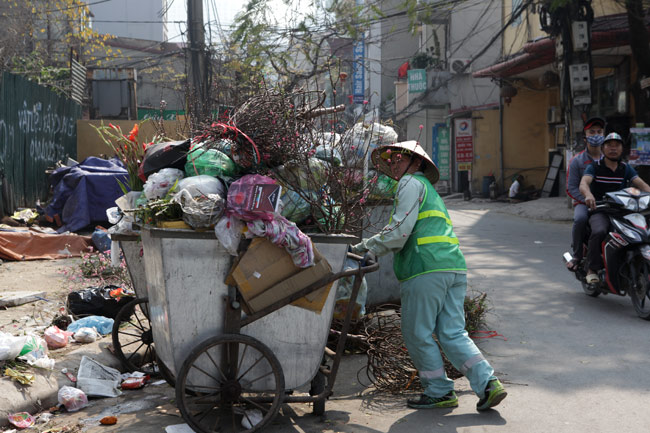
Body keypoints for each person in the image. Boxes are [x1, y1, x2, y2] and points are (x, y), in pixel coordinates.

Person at [351, 140, 506, 411]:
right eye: (392, 159)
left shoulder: (409, 184)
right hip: (453, 267)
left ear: (417, 162)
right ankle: (489, 384)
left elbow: (399, 233)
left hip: (425, 269)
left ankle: (439, 391)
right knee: (453, 333)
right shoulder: (429, 189)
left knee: (417, 333)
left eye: (400, 158)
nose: (395, 163)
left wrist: (366, 246)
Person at [579, 132, 650, 284]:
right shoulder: (594, 167)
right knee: (599, 231)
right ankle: (592, 268)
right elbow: (584, 183)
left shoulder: (626, 168)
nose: (613, 149)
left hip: (624, 211)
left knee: (643, 232)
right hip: (602, 210)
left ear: (621, 149)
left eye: (616, 146)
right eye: (609, 146)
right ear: (603, 149)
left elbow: (642, 185)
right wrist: (588, 195)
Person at [565, 116, 605, 272]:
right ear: (585, 136)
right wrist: (587, 199)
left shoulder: (609, 160)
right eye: (592, 132)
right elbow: (571, 188)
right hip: (583, 203)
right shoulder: (577, 161)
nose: (596, 135)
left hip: (607, 203)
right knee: (580, 219)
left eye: (599, 132)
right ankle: (577, 255)